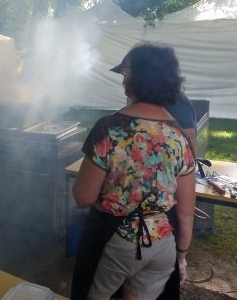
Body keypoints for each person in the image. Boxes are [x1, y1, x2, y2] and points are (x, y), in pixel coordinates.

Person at [71, 42, 196, 300]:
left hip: (113, 239)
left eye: (126, 74)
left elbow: (83, 196)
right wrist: (181, 255)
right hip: (163, 243)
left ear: (134, 79)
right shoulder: (179, 136)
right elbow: (185, 211)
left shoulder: (110, 129)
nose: (122, 81)